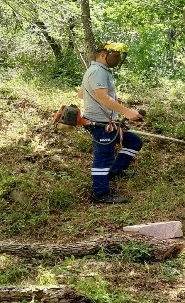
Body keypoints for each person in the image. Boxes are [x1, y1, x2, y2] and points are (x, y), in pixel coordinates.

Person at [78, 42, 144, 204]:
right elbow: (102, 97)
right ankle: (100, 193)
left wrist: (113, 107)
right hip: (99, 123)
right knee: (104, 156)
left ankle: (115, 171)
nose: (118, 59)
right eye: (115, 56)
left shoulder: (98, 71)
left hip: (108, 121)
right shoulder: (98, 72)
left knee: (134, 142)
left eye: (119, 56)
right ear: (102, 55)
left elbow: (81, 94)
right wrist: (127, 111)